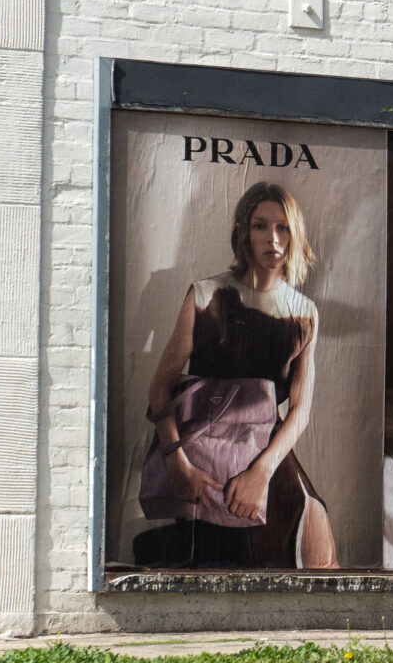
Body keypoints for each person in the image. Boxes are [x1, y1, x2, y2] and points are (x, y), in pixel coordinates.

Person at [136, 182, 337, 568]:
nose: (272, 239)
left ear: (295, 235)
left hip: (261, 443)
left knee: (315, 538)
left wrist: (262, 471)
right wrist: (177, 463)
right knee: (218, 553)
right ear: (244, 231)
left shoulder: (305, 313)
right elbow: (160, 388)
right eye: (261, 226)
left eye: (283, 228)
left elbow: (300, 410)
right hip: (199, 441)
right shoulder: (204, 294)